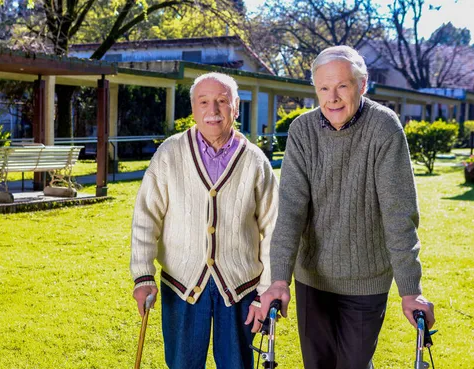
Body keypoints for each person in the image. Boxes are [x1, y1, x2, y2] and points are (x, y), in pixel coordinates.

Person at [260, 46, 436, 369]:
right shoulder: (302, 132)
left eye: (342, 86)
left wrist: (411, 289)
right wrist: (279, 279)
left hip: (366, 280)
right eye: (324, 88)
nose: (333, 98)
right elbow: (290, 212)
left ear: (362, 84)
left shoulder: (385, 128)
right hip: (313, 278)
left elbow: (399, 215)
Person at [130, 72, 279, 369]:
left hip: (240, 287)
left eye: (222, 101)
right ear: (193, 108)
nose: (213, 111)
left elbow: (274, 228)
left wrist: (265, 291)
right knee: (182, 364)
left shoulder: (255, 161)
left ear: (236, 107)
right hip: (181, 284)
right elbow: (146, 216)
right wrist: (143, 275)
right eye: (204, 102)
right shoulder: (170, 153)